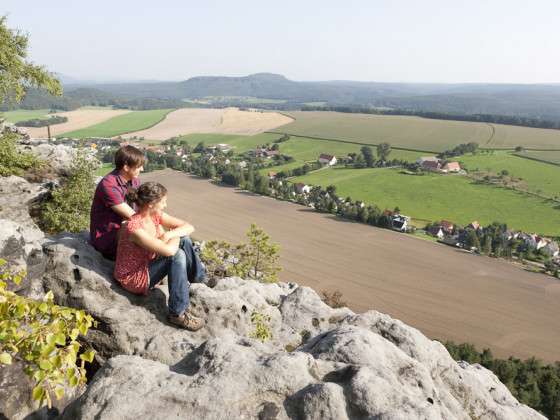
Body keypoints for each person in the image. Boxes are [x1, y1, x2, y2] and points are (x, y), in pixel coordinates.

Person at [113, 182, 205, 331]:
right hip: (134, 277)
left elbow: (189, 227)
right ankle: (177, 313)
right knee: (178, 254)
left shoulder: (156, 216)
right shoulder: (134, 228)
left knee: (184, 239)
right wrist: (175, 234)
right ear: (151, 204)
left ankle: (198, 278)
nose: (165, 205)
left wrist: (169, 233)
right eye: (163, 202)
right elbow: (169, 252)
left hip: (148, 263)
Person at [90, 145, 145, 259]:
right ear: (126, 167)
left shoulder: (134, 181)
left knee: (181, 242)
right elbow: (133, 216)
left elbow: (145, 207)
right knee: (173, 252)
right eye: (139, 166)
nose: (142, 169)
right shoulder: (109, 185)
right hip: (109, 241)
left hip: (126, 232)